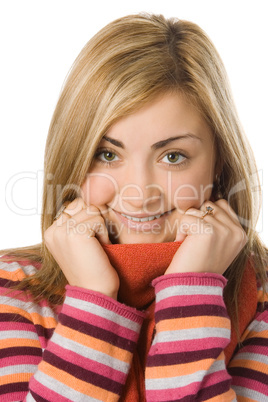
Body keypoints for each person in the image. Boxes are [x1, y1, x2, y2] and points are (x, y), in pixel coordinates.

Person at [0, 13, 267, 401]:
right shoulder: (13, 289)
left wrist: (190, 294)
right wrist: (94, 298)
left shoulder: (259, 299)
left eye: (173, 156)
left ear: (219, 164)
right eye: (107, 154)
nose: (140, 194)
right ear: (72, 158)